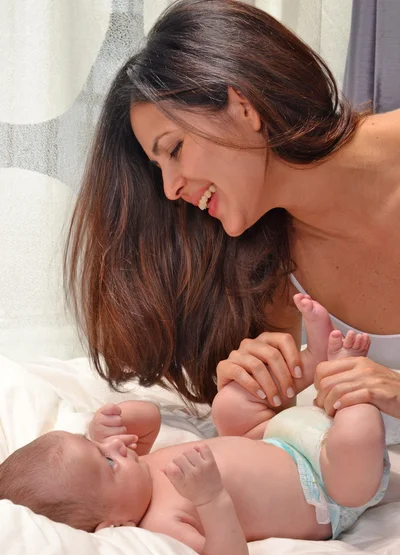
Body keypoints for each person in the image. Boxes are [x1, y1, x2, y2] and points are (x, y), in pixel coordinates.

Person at [64, 0, 400, 420]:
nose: (170, 190)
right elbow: (283, 455)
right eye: (158, 169)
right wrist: (251, 394)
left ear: (242, 106)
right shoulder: (277, 279)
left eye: (174, 149)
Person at [0, 297, 390, 555]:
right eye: (106, 462)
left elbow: (150, 422)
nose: (115, 448)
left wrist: (120, 422)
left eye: (96, 445)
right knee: (356, 434)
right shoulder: (161, 523)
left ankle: (316, 360)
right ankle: (343, 378)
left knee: (230, 403)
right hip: (328, 487)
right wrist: (210, 497)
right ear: (112, 526)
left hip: (274, 440)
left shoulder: (138, 475)